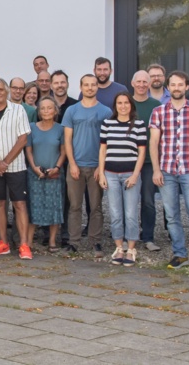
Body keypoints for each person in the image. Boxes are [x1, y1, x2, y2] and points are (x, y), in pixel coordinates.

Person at [149, 71, 189, 270]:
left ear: (186, 87)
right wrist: (156, 170)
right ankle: (179, 254)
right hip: (166, 170)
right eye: (173, 85)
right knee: (171, 215)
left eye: (180, 84)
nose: (176, 88)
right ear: (169, 88)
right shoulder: (158, 112)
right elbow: (154, 142)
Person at [63, 74, 113, 258]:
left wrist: (102, 166)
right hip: (76, 166)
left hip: (96, 167)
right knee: (75, 206)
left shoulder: (105, 112)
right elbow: (67, 139)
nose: (90, 88)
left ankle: (96, 242)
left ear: (97, 87)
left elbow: (107, 141)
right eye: (86, 85)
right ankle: (74, 242)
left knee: (96, 206)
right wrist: (72, 163)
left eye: (93, 85)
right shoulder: (72, 111)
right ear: (81, 87)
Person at [0, 77, 32, 258]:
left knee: (19, 204)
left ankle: (24, 244)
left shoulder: (18, 110)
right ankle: (3, 242)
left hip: (16, 166)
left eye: (1, 90)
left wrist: (5, 162)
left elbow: (23, 139)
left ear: (7, 91)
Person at [98, 92, 147, 266]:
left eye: (126, 103)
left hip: (130, 175)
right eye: (119, 103)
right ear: (115, 106)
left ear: (131, 105)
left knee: (131, 213)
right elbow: (103, 149)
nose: (123, 106)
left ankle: (131, 248)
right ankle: (119, 247)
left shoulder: (139, 125)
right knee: (116, 213)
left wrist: (135, 174)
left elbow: (142, 152)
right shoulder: (107, 124)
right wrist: (102, 173)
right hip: (110, 174)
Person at [27, 97, 65, 254]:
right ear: (39, 111)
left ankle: (52, 240)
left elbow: (64, 152)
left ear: (55, 111)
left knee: (54, 206)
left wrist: (57, 167)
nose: (46, 111)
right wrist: (34, 167)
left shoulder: (60, 129)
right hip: (35, 173)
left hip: (54, 174)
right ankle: (28, 241)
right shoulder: (31, 128)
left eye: (50, 108)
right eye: (43, 108)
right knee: (34, 206)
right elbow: (28, 150)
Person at [130, 70, 162, 251]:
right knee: (129, 200)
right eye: (139, 81)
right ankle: (130, 235)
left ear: (149, 85)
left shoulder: (156, 105)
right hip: (129, 160)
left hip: (150, 161)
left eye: (145, 82)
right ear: (133, 83)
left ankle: (148, 237)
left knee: (148, 200)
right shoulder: (126, 103)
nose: (142, 85)